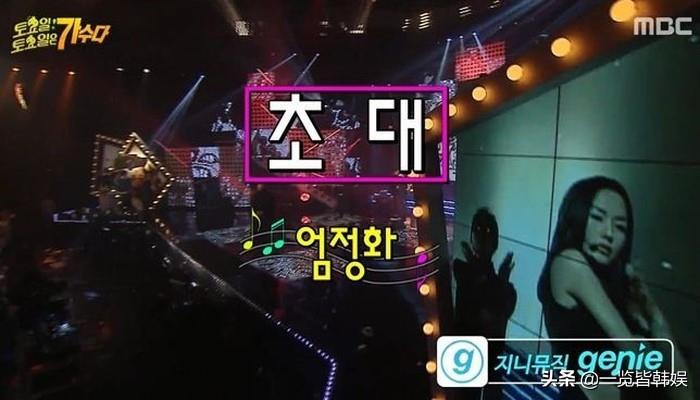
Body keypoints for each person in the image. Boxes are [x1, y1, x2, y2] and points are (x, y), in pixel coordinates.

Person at [538, 176, 693, 400]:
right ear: (577, 216)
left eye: (620, 227)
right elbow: (640, 360)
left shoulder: (617, 291)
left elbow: (682, 391)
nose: (609, 233)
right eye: (597, 218)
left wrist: (653, 314)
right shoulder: (570, 262)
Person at [453, 208, 516, 400]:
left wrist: (498, 282)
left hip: (486, 366)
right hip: (464, 363)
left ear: (495, 242)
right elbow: (484, 311)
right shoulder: (462, 270)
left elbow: (491, 312)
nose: (482, 236)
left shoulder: (504, 288)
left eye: (488, 231)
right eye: (478, 230)